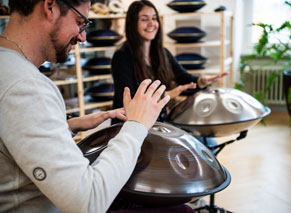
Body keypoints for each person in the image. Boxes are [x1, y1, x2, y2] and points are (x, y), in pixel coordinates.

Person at [0, 0, 171, 212]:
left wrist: (67, 127)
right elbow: (89, 202)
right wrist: (136, 126)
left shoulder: (7, 68)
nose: (82, 36)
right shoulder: (25, 86)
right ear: (50, 6)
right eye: (80, 21)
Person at [111, 0, 228, 124]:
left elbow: (184, 78)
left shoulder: (162, 53)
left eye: (154, 18)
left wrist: (202, 81)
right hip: (129, 127)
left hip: (156, 123)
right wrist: (167, 95)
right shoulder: (122, 57)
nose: (152, 24)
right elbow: (131, 103)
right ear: (132, 24)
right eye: (144, 19)